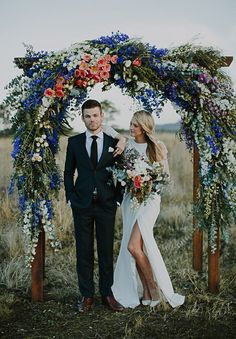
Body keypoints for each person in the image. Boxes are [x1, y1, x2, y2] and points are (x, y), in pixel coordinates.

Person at [111, 110, 185, 308]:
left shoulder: (157, 147)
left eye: (135, 125)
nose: (131, 127)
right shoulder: (127, 145)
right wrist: (129, 179)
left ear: (144, 127)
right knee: (137, 248)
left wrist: (146, 181)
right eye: (131, 123)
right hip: (131, 201)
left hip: (149, 201)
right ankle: (145, 291)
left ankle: (153, 288)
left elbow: (166, 178)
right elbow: (122, 172)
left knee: (133, 246)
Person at [64, 99, 125, 313]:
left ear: (102, 116)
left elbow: (124, 173)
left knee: (106, 251)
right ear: (82, 118)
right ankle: (87, 295)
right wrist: (71, 197)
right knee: (84, 251)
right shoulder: (75, 142)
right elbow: (68, 172)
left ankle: (107, 295)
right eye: (88, 116)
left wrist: (117, 197)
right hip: (82, 205)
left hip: (107, 205)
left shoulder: (114, 142)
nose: (92, 119)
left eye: (95, 115)